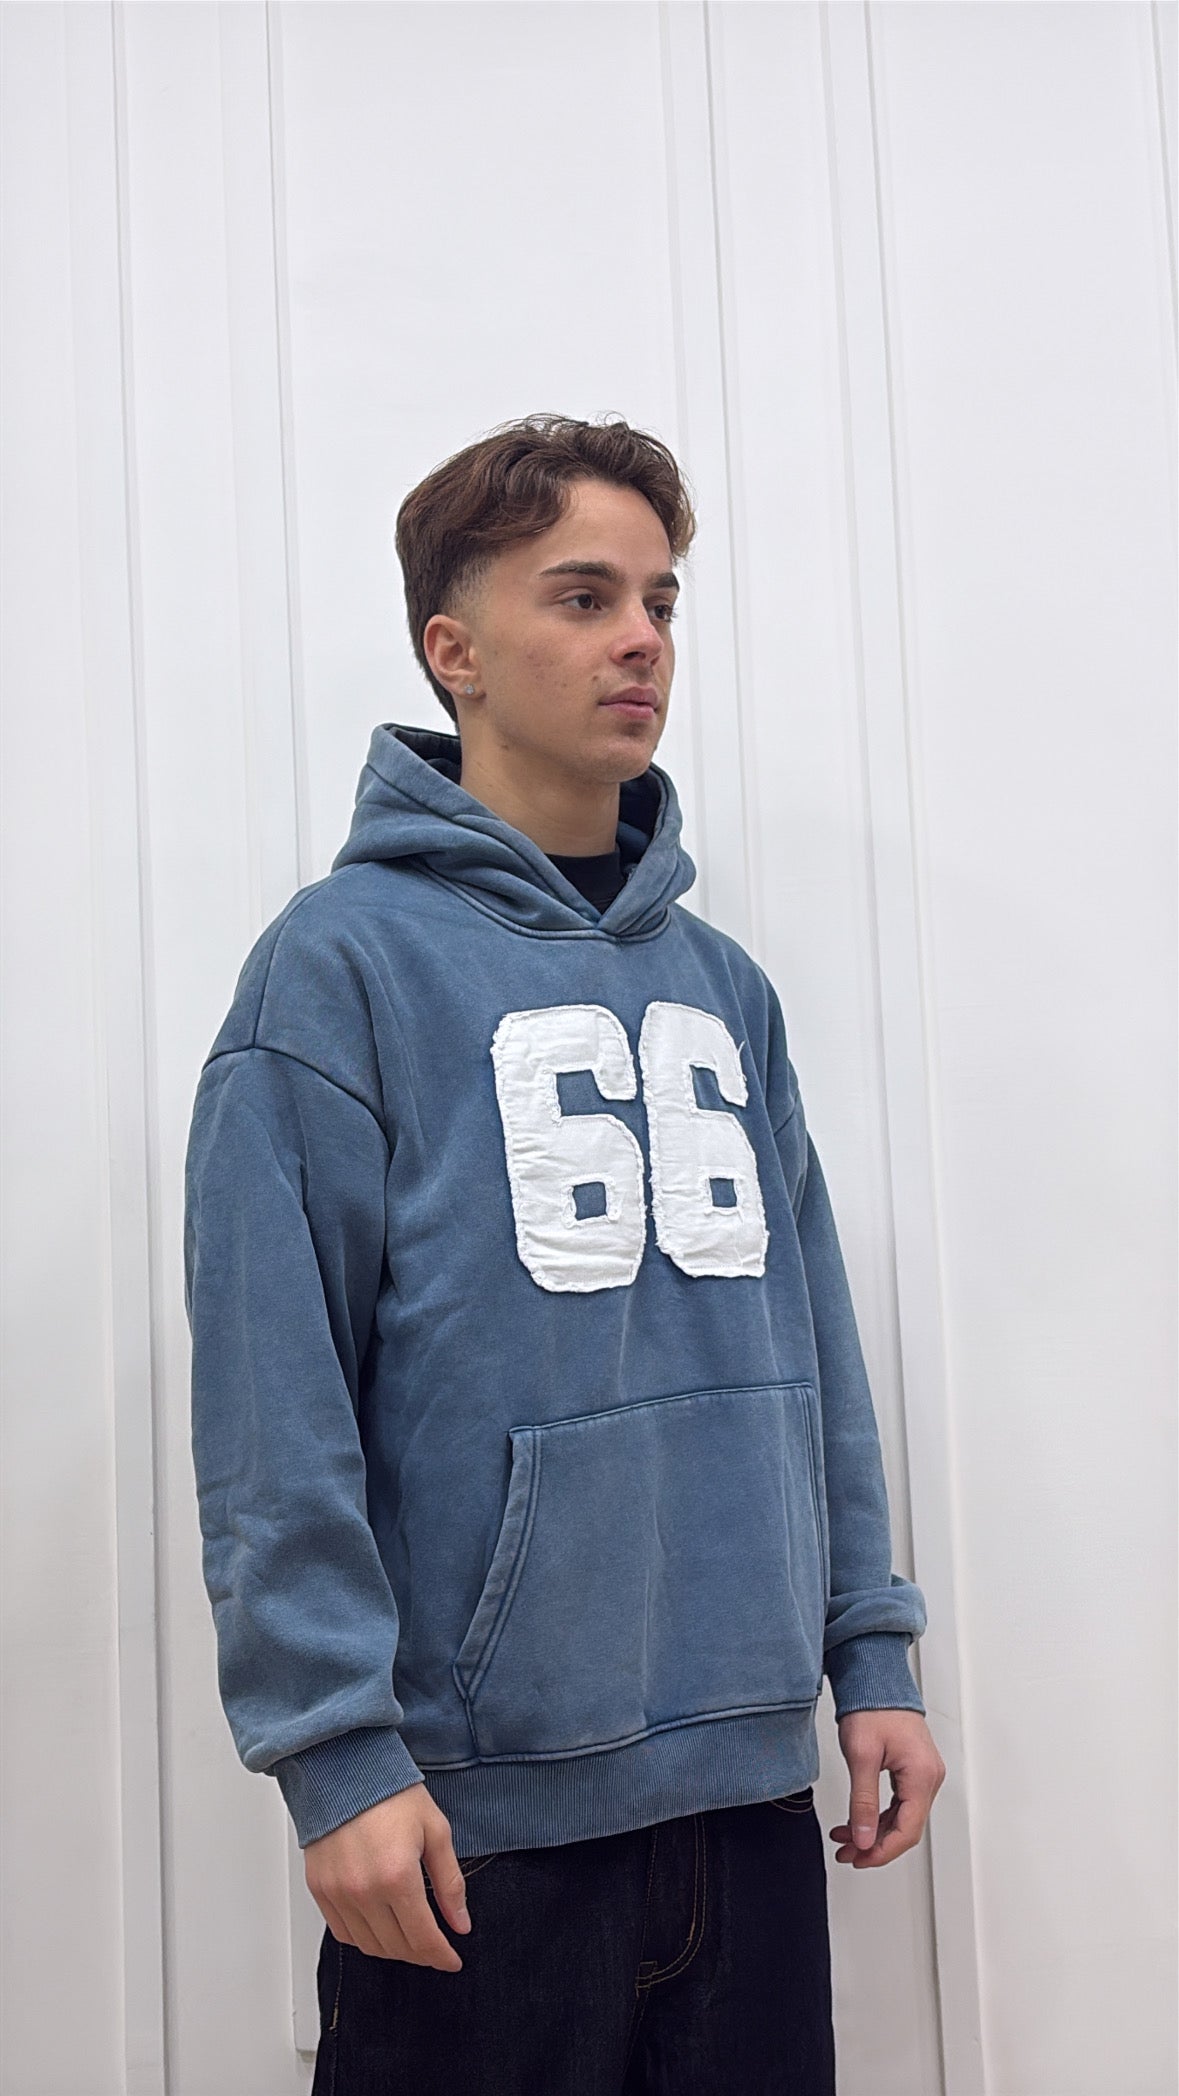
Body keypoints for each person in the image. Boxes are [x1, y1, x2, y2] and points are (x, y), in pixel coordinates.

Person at [184, 413, 946, 2094]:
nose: (641, 641)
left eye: (660, 601)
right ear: (453, 650)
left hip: (751, 1799)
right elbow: (270, 1400)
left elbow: (809, 1343)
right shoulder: (337, 970)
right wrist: (336, 1756)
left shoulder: (724, 986)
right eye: (584, 597)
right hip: (475, 1837)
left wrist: (869, 1651)